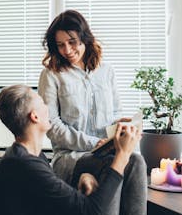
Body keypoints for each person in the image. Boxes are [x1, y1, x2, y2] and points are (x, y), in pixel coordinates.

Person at [0, 84, 145, 215]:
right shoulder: (24, 164)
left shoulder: (30, 154)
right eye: (43, 104)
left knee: (133, 160)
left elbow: (54, 200)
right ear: (35, 117)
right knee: (122, 160)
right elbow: (91, 214)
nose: (48, 109)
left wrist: (83, 177)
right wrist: (122, 154)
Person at [38, 10, 132, 183]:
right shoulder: (51, 75)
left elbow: (115, 113)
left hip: (106, 151)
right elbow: (52, 126)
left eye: (72, 42)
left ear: (85, 37)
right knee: (114, 164)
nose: (67, 50)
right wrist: (94, 143)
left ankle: (134, 213)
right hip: (71, 157)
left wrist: (119, 127)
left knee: (137, 161)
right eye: (60, 45)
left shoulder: (106, 71)